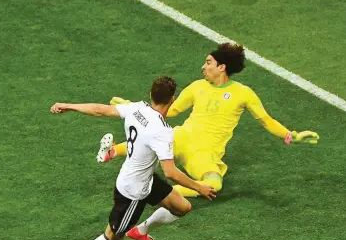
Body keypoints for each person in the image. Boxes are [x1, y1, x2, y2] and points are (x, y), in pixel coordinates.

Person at [50, 76, 216, 240]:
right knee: (113, 236)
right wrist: (199, 186)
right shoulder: (163, 131)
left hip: (144, 178)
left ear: (150, 95)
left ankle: (141, 230)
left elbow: (100, 109)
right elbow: (171, 172)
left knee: (182, 207)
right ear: (172, 100)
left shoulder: (137, 108)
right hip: (133, 192)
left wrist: (68, 105)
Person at [98, 43, 319, 198]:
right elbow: (170, 110)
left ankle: (168, 192)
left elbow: (266, 120)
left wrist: (292, 135)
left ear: (222, 67)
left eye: (208, 62)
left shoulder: (244, 93)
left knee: (214, 184)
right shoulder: (197, 86)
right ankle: (110, 152)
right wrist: (129, 105)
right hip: (183, 137)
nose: (203, 67)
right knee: (152, 139)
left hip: (204, 154)